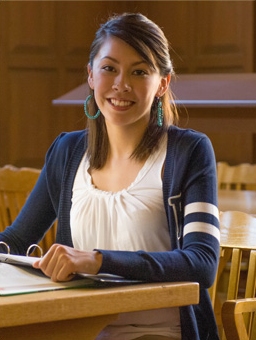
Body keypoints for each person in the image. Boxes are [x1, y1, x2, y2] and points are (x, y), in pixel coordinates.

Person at [0, 13, 220, 340]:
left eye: (139, 71)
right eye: (109, 68)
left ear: (163, 83)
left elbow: (202, 263)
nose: (121, 85)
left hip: (162, 333)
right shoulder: (67, 151)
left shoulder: (189, 152)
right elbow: (15, 241)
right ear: (90, 75)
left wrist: (96, 260)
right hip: (76, 330)